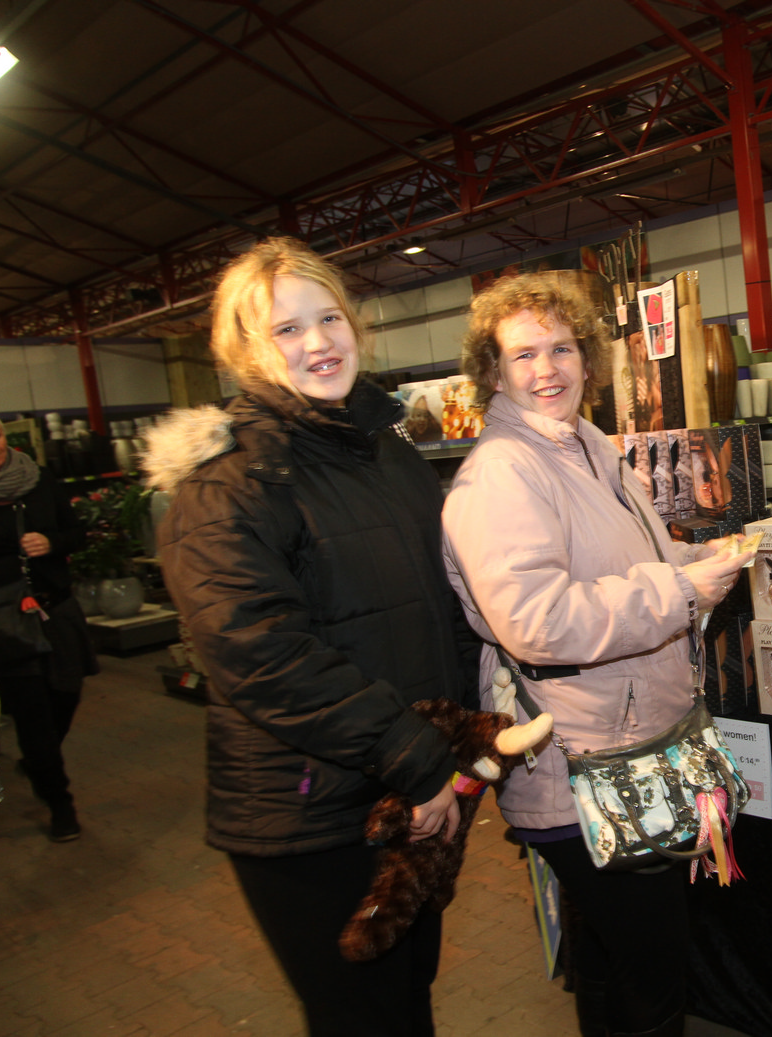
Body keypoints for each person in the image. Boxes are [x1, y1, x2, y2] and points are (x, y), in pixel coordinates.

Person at [144, 238, 480, 1037]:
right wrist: (419, 757)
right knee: (360, 1015)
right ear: (245, 351)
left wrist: (463, 739)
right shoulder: (229, 485)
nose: (319, 342)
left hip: (410, 794)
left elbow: (441, 605)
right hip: (310, 817)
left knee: (408, 999)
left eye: (329, 318)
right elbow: (261, 654)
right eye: (287, 329)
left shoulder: (387, 455)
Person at [441, 273, 752, 1037]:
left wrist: (694, 561)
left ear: (588, 357)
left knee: (616, 958)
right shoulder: (501, 474)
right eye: (523, 355)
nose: (547, 368)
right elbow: (536, 621)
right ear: (493, 373)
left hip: (625, 740)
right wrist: (679, 592)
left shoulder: (587, 446)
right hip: (578, 762)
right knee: (653, 969)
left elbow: (628, 561)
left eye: (561, 348)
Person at [0, 404, 97, 842]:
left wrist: (51, 542)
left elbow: (76, 533)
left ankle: (39, 761)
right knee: (33, 712)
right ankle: (59, 803)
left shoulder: (38, 479)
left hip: (54, 610)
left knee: (66, 694)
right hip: (2, 619)